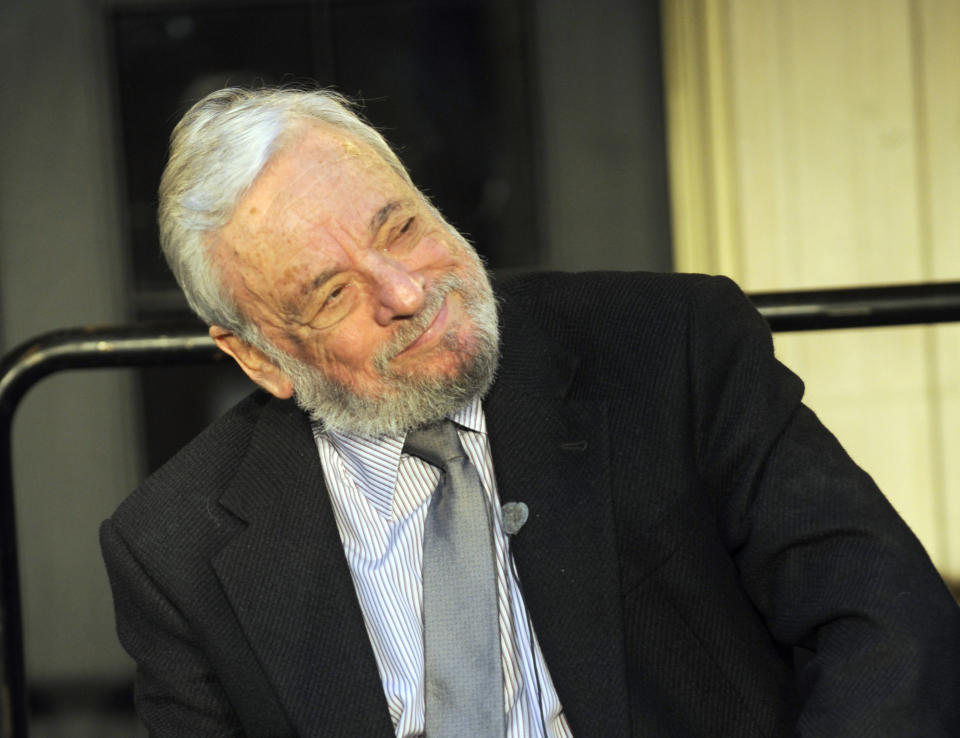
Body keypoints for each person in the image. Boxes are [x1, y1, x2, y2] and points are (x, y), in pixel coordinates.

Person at [101, 87, 960, 738]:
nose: (407, 292)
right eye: (332, 292)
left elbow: (885, 622)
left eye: (400, 227)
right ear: (257, 357)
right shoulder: (174, 550)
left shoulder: (668, 349)